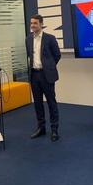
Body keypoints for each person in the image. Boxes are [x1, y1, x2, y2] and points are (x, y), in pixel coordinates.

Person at [26, 14, 62, 142]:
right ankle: (41, 128)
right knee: (37, 103)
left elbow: (57, 55)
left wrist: (49, 67)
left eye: (35, 23)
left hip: (46, 75)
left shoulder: (50, 38)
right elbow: (29, 56)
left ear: (41, 24)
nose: (32, 25)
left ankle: (54, 129)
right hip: (34, 75)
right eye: (31, 23)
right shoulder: (28, 39)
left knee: (51, 102)